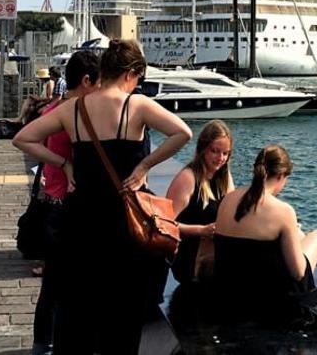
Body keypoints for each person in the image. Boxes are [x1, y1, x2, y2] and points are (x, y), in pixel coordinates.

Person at [13, 39, 192, 354]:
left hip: (80, 220)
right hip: (123, 223)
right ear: (130, 74)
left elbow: (23, 138)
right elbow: (182, 133)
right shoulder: (135, 106)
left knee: (77, 308)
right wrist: (144, 166)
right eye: (138, 79)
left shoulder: (74, 108)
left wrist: (64, 163)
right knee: (122, 314)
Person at [213, 145, 317, 324]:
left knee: (297, 233)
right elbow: (299, 273)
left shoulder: (228, 199)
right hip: (272, 299)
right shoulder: (283, 211)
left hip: (231, 291)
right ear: (281, 176)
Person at [28, 51, 101, 355]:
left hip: (52, 202)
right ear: (86, 81)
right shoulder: (74, 113)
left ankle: (42, 343)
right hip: (67, 207)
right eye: (97, 83)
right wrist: (65, 164)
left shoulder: (56, 109)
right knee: (68, 284)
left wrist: (56, 163)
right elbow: (23, 139)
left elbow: (27, 141)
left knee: (53, 284)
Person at [166, 120, 234, 284]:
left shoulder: (224, 178)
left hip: (213, 252)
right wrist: (201, 230)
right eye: (215, 151)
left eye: (225, 153)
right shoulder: (188, 178)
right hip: (190, 256)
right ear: (203, 150)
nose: (220, 158)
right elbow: (166, 224)